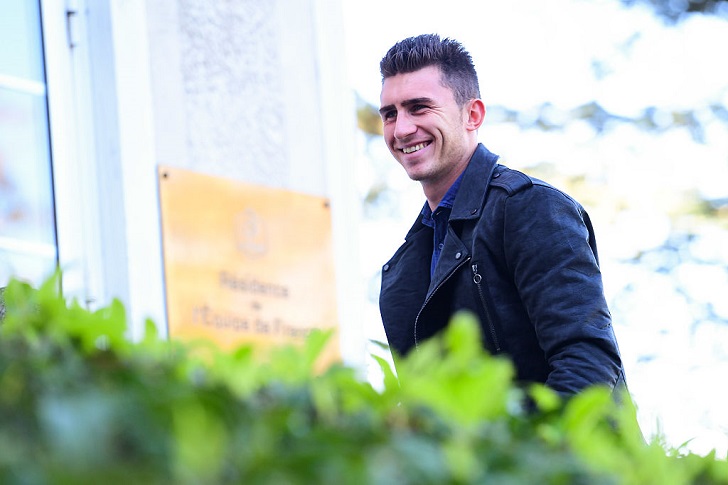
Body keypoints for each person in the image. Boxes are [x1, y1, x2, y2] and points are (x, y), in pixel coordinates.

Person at [377, 34, 626, 398]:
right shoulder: (403, 266)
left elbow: (588, 363)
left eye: (419, 108)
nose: (401, 129)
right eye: (390, 114)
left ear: (472, 115)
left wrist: (533, 437)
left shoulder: (531, 208)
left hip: (563, 436)